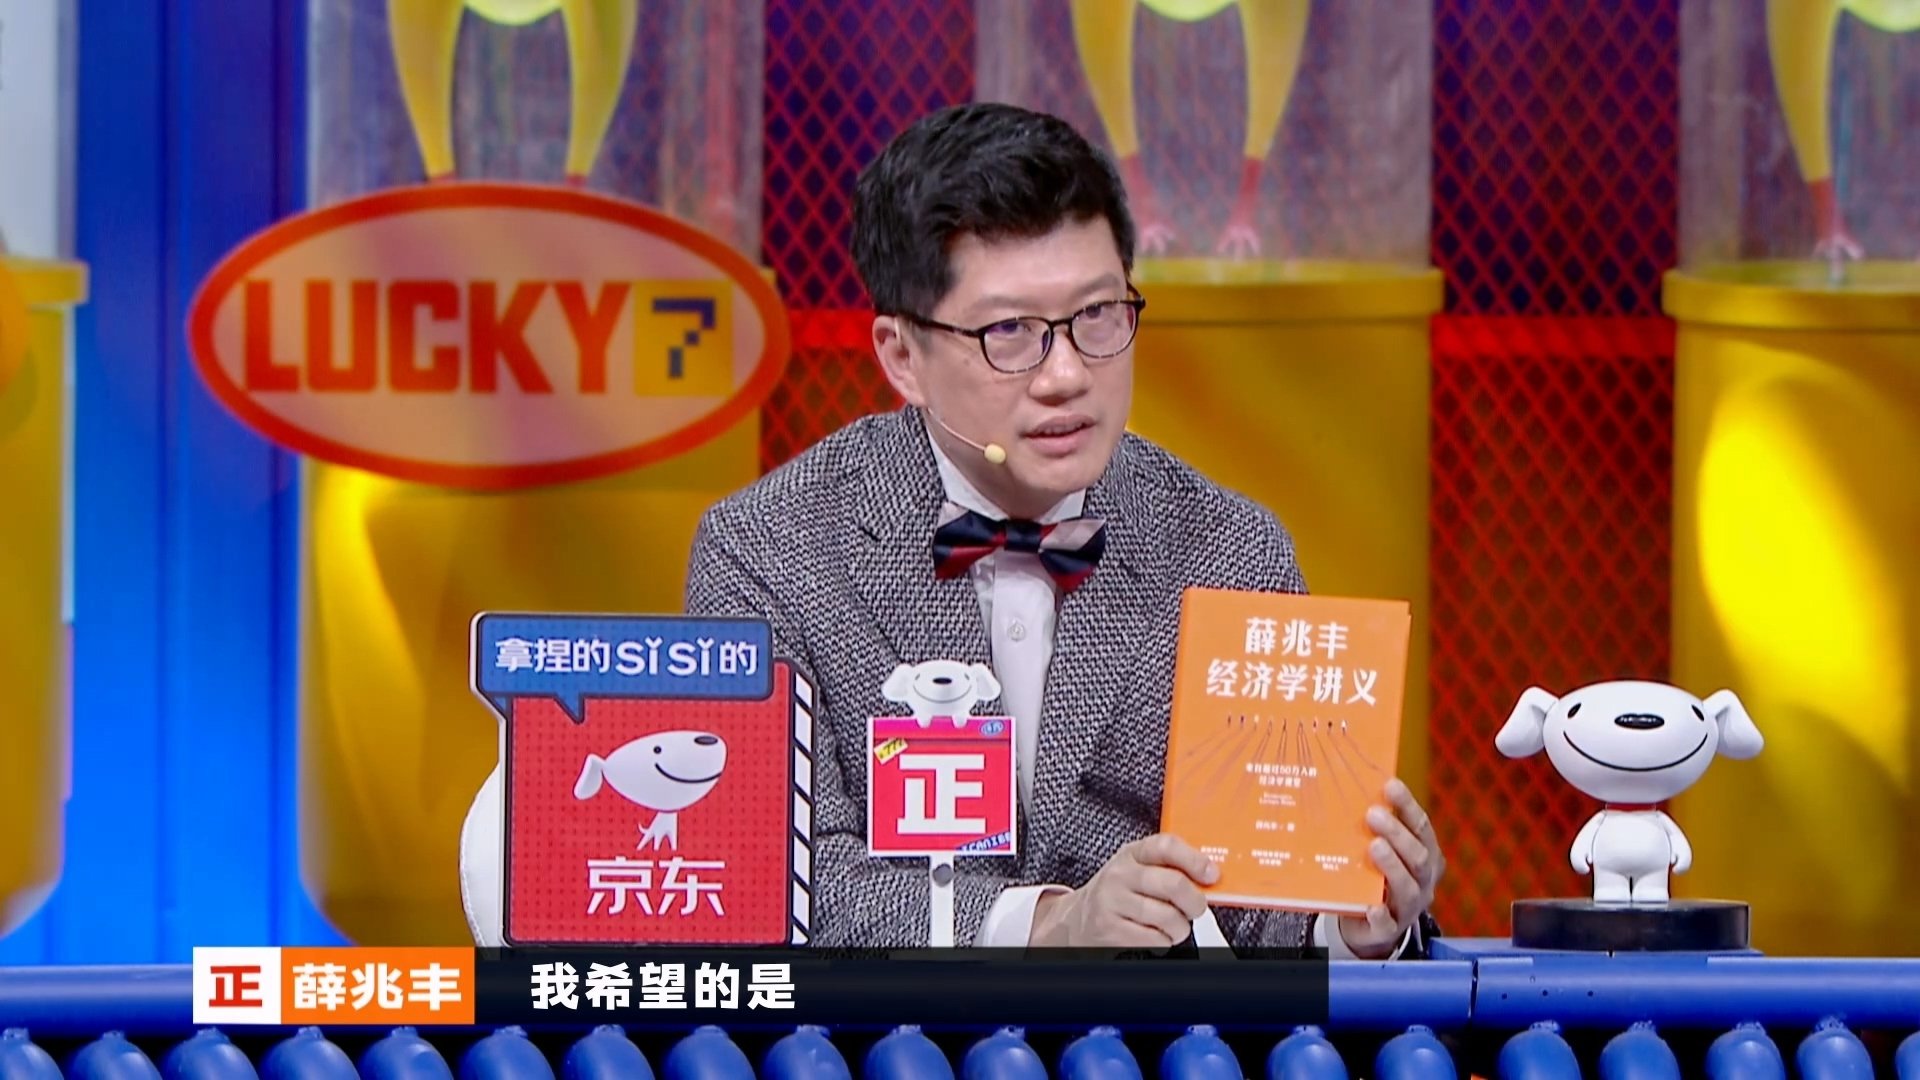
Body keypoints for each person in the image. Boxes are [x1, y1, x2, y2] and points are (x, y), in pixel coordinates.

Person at [683, 101, 1444, 955]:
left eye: (1098, 315)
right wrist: (1046, 924)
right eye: (1010, 332)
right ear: (902, 357)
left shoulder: (1229, 548)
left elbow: (1269, 898)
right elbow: (768, 875)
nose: (1068, 375)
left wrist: (1354, 922)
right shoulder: (769, 549)